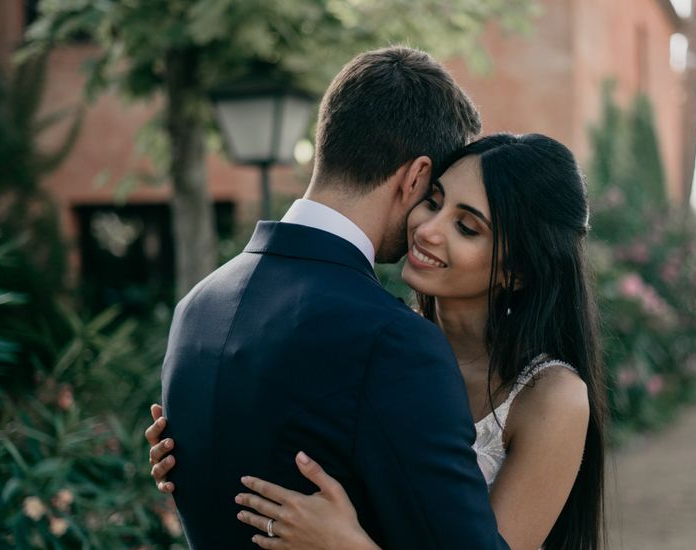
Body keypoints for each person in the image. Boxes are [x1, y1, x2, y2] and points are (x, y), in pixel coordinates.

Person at [150, 132, 607, 549]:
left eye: (467, 227)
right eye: (433, 201)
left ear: (517, 272)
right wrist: (200, 444)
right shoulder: (383, 344)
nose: (428, 228)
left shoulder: (551, 398)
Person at [156, 45, 508, 550]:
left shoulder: (196, 308)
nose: (430, 225)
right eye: (432, 198)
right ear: (414, 176)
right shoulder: (395, 342)